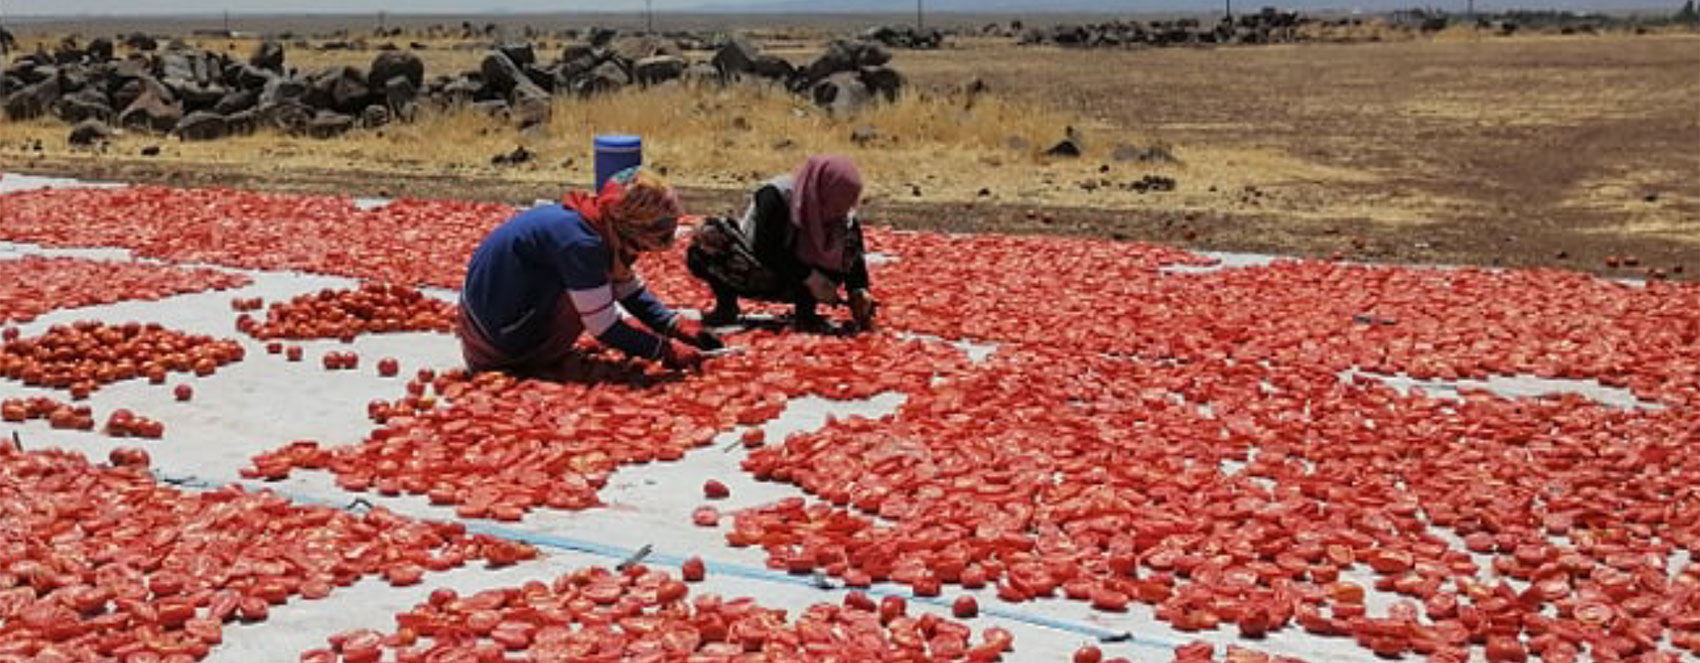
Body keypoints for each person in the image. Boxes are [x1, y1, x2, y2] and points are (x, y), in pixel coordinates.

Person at [457, 166, 722, 377]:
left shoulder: (592, 221)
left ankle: (532, 351)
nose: (638, 254)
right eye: (646, 241)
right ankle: (523, 359)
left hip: (486, 326)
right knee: (591, 293)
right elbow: (603, 327)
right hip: (497, 342)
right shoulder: (581, 245)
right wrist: (666, 350)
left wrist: (675, 326)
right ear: (629, 226)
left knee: (594, 287)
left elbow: (627, 289)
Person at [687, 155, 878, 331]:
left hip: (805, 286)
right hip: (756, 270)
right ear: (822, 190)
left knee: (845, 244)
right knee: (705, 243)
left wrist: (858, 290)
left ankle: (806, 312)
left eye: (845, 207)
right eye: (835, 205)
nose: (838, 213)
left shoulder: (841, 216)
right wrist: (810, 278)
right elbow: (765, 249)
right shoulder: (775, 195)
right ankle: (726, 305)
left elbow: (853, 256)